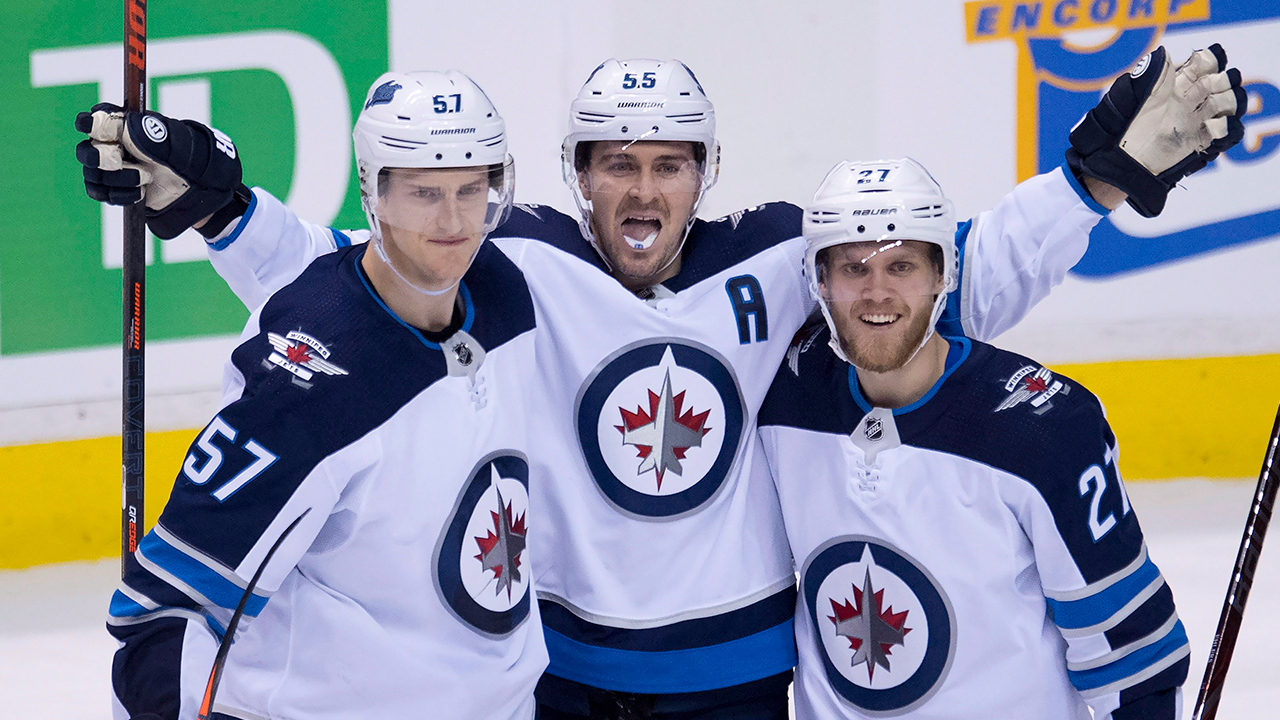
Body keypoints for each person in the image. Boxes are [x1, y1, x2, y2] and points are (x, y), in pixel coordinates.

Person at [78, 48, 1240, 719]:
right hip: (561, 680)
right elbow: (363, 281)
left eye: (668, 164)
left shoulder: (784, 261)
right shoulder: (515, 259)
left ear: (704, 172)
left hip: (740, 683)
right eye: (617, 164)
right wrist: (216, 210)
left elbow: (936, 279)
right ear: (578, 174)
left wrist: (1091, 181)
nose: (643, 191)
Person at [97, 71, 547, 720]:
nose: (454, 221)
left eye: (471, 189)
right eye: (425, 192)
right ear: (375, 193)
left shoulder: (501, 284)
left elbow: (335, 265)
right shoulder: (305, 395)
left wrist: (222, 210)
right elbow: (160, 617)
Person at [756, 157, 1188, 719]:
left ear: (944, 276)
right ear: (821, 283)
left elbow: (1129, 654)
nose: (876, 292)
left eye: (902, 266)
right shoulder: (784, 399)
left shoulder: (1043, 430)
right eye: (853, 268)